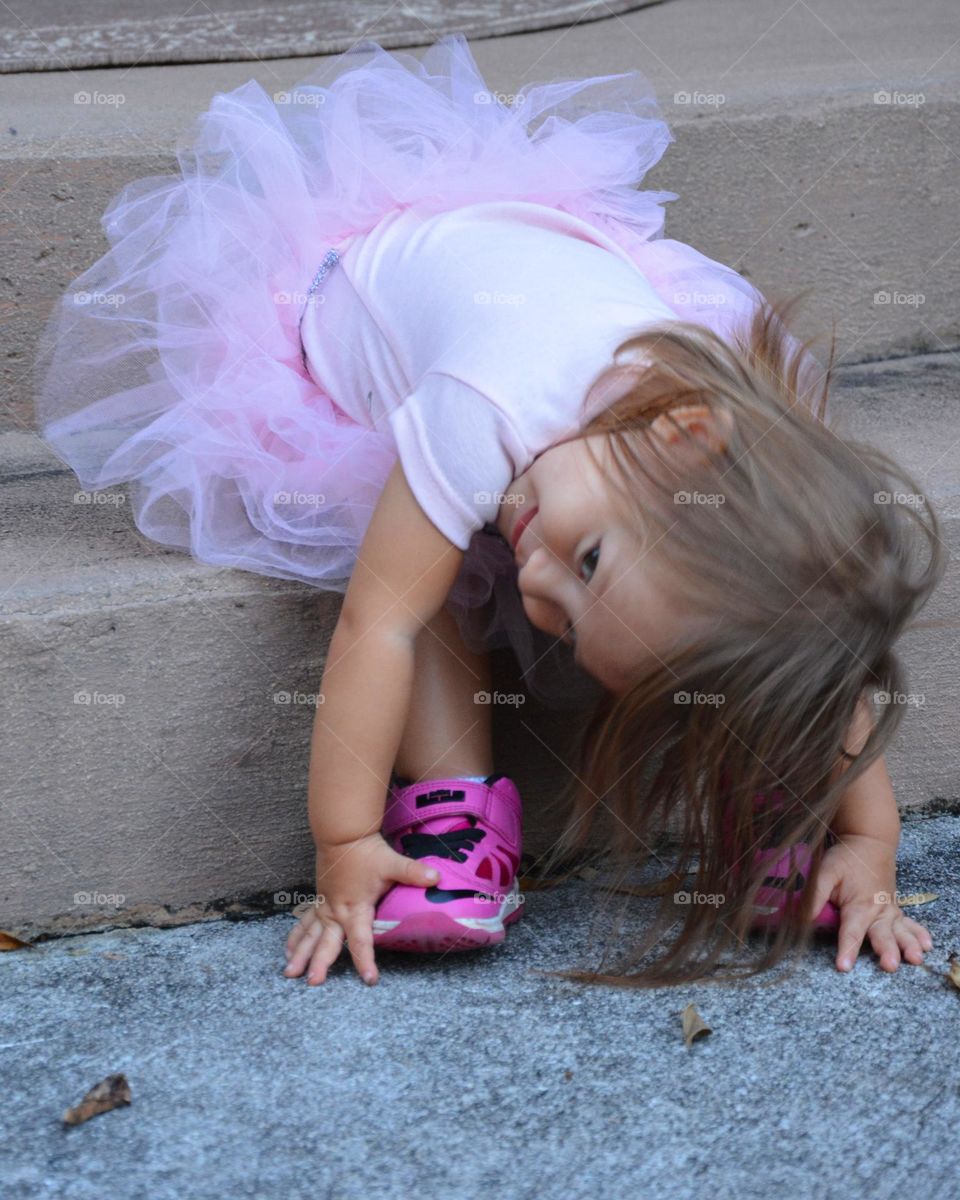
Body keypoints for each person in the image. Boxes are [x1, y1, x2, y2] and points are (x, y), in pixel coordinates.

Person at [33, 33, 943, 991]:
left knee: (755, 609)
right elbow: (375, 625)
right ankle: (448, 811)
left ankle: (774, 800)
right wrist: (341, 842)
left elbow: (817, 634)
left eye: (567, 616)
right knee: (427, 584)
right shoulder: (483, 404)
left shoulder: (692, 447)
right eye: (584, 563)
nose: (537, 582)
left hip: (529, 296)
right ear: (680, 436)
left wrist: (869, 840)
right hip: (349, 300)